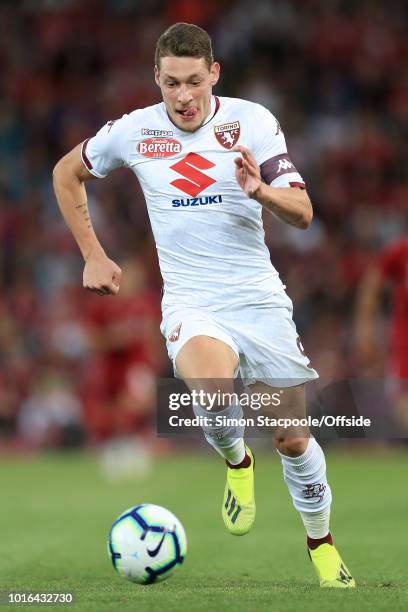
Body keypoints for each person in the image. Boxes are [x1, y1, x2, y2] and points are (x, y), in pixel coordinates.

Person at [53, 22, 355, 588]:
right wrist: (92, 254)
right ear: (157, 79)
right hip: (193, 300)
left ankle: (321, 543)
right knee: (212, 393)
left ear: (214, 73)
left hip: (258, 298)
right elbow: (66, 172)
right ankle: (238, 462)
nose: (184, 97)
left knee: (291, 436)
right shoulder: (133, 131)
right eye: (172, 84)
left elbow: (304, 211)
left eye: (194, 81)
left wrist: (261, 191)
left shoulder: (253, 122)